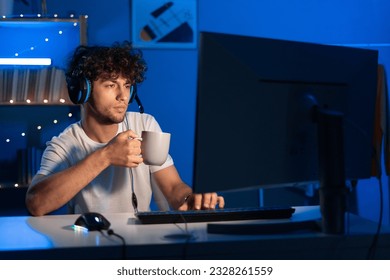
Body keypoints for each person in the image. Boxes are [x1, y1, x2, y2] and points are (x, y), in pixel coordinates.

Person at [25, 41, 224, 216]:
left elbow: (173, 188)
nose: (123, 96)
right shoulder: (63, 145)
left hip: (142, 246)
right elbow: (36, 204)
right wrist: (106, 156)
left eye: (127, 85)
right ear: (82, 91)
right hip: (92, 248)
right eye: (111, 85)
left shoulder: (144, 125)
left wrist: (190, 199)